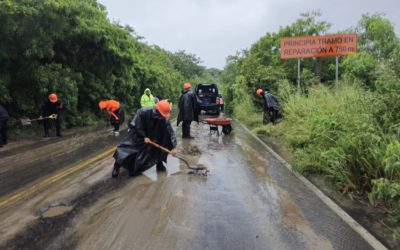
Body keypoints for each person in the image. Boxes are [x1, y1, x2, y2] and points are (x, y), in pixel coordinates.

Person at [112, 100, 177, 178]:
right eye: (162, 115)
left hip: (152, 134)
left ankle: (159, 164)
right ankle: (117, 166)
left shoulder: (164, 119)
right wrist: (144, 136)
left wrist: (173, 147)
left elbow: (169, 132)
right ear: (158, 111)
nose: (163, 117)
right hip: (138, 133)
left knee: (161, 143)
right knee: (126, 148)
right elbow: (137, 125)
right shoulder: (144, 111)